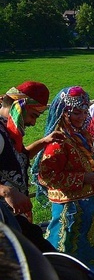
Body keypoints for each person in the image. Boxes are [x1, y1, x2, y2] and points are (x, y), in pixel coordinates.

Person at [32, 86, 94, 267]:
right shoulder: (58, 141)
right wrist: (82, 178)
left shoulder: (81, 135)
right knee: (66, 247)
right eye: (76, 113)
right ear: (63, 113)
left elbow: (86, 160)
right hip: (69, 207)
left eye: (84, 112)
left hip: (89, 202)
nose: (82, 117)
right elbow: (46, 176)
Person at [0, 81, 60, 251]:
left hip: (12, 217)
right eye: (33, 115)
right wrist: (5, 191)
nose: (33, 123)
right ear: (20, 107)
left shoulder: (7, 130)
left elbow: (18, 159)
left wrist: (44, 142)